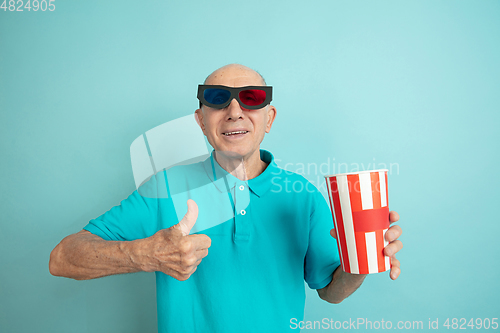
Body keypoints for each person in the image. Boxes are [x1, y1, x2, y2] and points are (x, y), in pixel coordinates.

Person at [49, 64, 403, 332]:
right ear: (202, 121)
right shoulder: (165, 188)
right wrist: (145, 254)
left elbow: (331, 291)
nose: (235, 111)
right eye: (217, 98)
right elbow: (62, 258)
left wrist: (365, 258)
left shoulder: (303, 196)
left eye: (252, 98)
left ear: (270, 118)